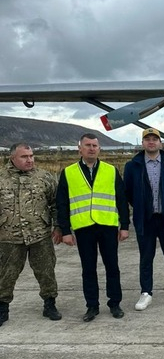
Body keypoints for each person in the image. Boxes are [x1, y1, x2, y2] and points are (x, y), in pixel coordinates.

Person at [56, 133, 130, 322]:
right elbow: (62, 203)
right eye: (87, 145)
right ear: (79, 149)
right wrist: (65, 231)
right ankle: (92, 306)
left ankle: (115, 303)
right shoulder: (69, 172)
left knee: (112, 266)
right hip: (83, 227)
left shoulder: (111, 170)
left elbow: (121, 199)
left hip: (107, 225)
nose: (91, 148)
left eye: (94, 145)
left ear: (99, 149)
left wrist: (125, 225)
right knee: (88, 269)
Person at [123, 128, 164, 311]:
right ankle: (146, 293)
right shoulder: (132, 166)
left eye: (154, 139)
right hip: (146, 220)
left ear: (160, 143)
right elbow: (128, 192)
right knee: (146, 258)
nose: (151, 142)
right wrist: (141, 206)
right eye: (147, 139)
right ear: (143, 143)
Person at [0, 142, 62, 326]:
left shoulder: (44, 177)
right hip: (8, 236)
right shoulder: (1, 178)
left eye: (31, 156)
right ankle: (2, 308)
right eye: (24, 157)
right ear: (12, 158)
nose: (29, 160)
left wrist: (58, 227)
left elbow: (56, 204)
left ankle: (50, 304)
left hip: (40, 235)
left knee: (46, 271)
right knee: (6, 274)